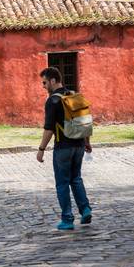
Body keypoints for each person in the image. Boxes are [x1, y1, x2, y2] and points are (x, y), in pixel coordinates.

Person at [36, 67, 93, 230]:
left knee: (62, 183)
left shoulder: (53, 100)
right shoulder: (74, 95)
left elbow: (49, 129)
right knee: (76, 179)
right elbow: (84, 121)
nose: (44, 86)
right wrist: (87, 142)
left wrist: (41, 149)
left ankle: (67, 219)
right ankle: (85, 209)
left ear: (53, 81)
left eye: (45, 82)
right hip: (80, 145)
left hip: (63, 147)